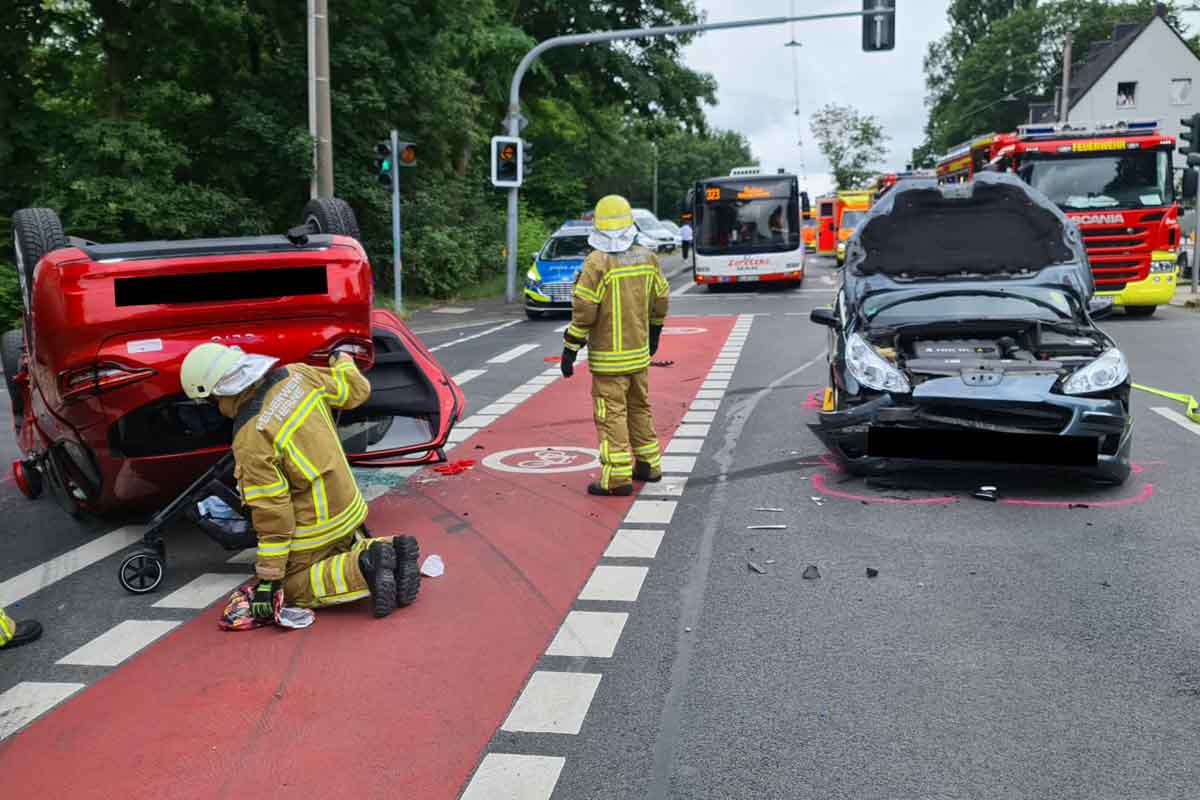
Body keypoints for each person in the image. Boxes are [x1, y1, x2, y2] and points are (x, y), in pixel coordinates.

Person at [179, 342, 421, 620]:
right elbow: (356, 390)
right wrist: (341, 359)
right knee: (338, 548)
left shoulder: (250, 437)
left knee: (293, 586)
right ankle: (391, 550)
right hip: (350, 507)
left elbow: (273, 516)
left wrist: (270, 579)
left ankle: (365, 567)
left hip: (315, 528)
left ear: (217, 395)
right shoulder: (298, 374)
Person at [561, 195, 670, 496]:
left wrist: (570, 347)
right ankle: (649, 463)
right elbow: (660, 299)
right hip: (639, 355)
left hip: (609, 361)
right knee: (639, 408)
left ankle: (617, 478)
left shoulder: (597, 262)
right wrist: (655, 331)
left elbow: (584, 312)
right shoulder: (647, 257)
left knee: (611, 414)